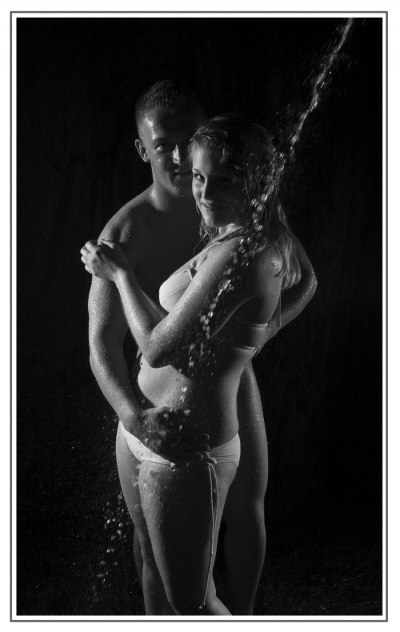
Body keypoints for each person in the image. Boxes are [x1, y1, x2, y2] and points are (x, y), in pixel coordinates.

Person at [85, 81, 317, 615]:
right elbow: (101, 345)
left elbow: (304, 279)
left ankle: (244, 616)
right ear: (142, 149)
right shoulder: (127, 230)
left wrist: (257, 335)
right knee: (156, 552)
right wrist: (134, 415)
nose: (178, 156)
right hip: (155, 409)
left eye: (187, 141)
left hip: (219, 391)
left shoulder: (234, 204)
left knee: (246, 510)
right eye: (162, 144)